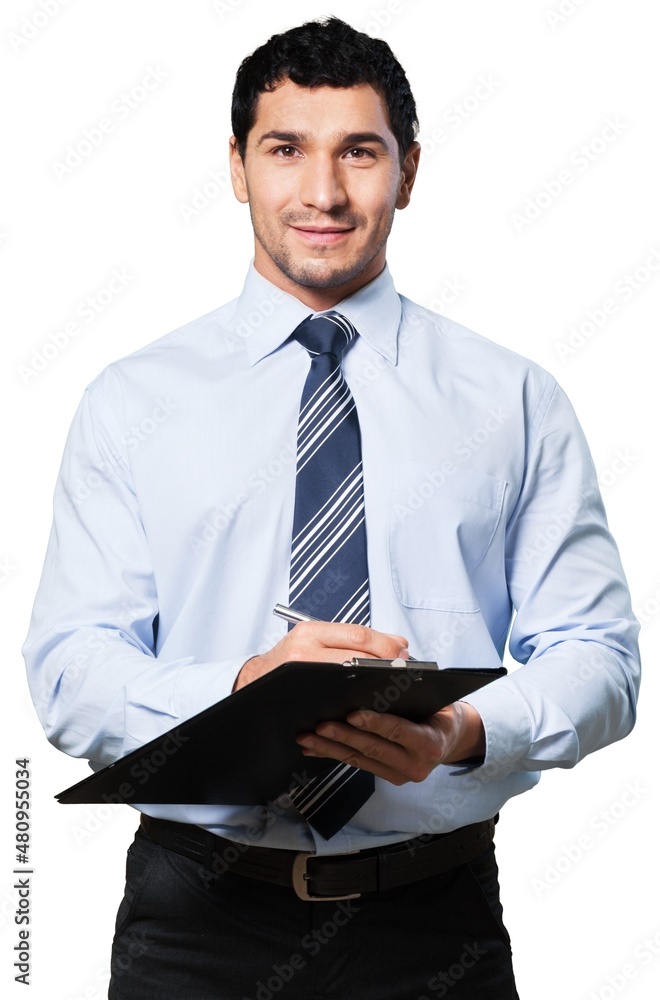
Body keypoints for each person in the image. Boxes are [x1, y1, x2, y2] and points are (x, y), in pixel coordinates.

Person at [23, 16, 640, 1000]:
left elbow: (602, 658)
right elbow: (70, 667)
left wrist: (461, 730)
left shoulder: (515, 399)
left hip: (434, 924)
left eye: (360, 151)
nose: (322, 192)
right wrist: (243, 688)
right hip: (195, 927)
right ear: (236, 167)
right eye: (285, 150)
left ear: (409, 169)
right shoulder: (132, 401)